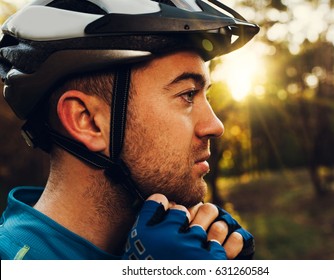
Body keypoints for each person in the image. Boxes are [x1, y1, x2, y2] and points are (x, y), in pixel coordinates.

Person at [0, 0, 259, 260]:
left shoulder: (187, 249)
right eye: (187, 95)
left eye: (206, 95)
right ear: (87, 120)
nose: (215, 126)